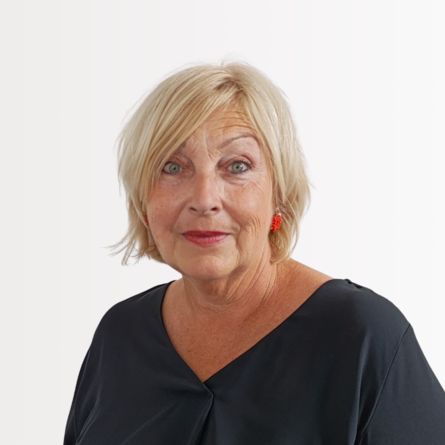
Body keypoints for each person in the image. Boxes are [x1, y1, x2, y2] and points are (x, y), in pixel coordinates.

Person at [63, 62, 445, 445]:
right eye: (172, 166)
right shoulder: (119, 335)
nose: (204, 199)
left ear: (279, 195)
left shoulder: (363, 336)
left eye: (237, 166)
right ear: (143, 203)